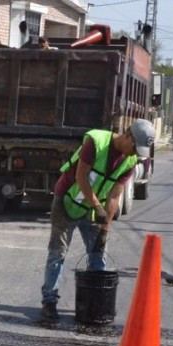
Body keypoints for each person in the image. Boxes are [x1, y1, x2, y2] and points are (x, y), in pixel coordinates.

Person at [39, 119, 155, 321]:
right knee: (58, 252)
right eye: (135, 148)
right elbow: (81, 178)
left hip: (92, 210)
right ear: (128, 136)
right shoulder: (96, 142)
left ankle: (95, 303)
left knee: (99, 253)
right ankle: (49, 302)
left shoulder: (129, 162)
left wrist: (105, 228)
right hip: (66, 202)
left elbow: (114, 196)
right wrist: (97, 206)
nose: (135, 154)